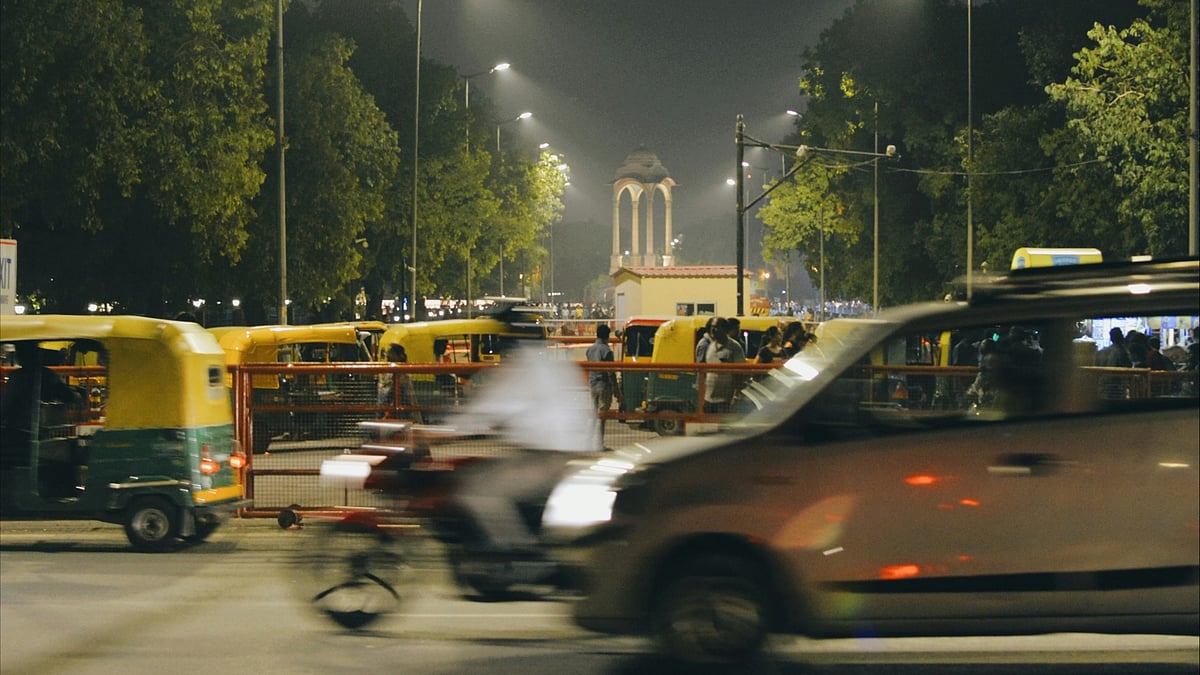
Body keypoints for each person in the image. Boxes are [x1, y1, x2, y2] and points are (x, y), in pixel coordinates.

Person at [1, 342, 83, 467]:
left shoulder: (18, 377)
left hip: (21, 432)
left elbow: (6, 406)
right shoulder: (49, 375)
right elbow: (69, 396)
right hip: (43, 431)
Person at [703, 317, 746, 413]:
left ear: (725, 329)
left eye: (716, 327)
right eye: (712, 327)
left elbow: (740, 373)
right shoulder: (710, 347)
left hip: (725, 400)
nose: (713, 330)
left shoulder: (735, 347)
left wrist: (736, 395)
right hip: (709, 398)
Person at [585, 324, 617, 449]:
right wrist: (616, 390)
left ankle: (587, 443)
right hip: (604, 385)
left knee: (592, 415)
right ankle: (599, 444)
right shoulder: (607, 351)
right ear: (607, 336)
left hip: (592, 384)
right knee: (602, 416)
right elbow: (611, 372)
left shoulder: (590, 349)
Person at [377, 343, 418, 421]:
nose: (387, 355)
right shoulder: (389, 372)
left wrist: (380, 412)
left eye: (390, 353)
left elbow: (389, 395)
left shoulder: (402, 374)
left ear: (398, 356)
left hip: (400, 414)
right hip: (392, 412)